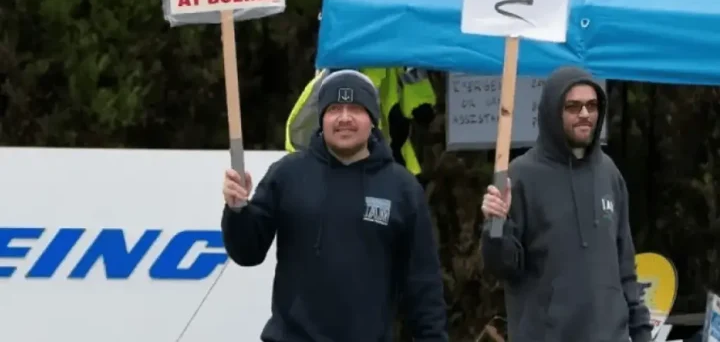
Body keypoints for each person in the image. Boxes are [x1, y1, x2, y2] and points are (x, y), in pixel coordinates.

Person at [221, 69, 448, 342]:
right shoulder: (287, 174)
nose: (344, 118)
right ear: (321, 119)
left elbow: (423, 284)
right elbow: (247, 252)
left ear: (373, 119)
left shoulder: (403, 188)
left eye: (355, 108)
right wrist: (237, 211)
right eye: (334, 109)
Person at [481, 66, 653, 342]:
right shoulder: (518, 176)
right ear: (552, 111)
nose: (585, 114)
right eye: (573, 106)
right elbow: (502, 267)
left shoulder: (610, 173)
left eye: (592, 105)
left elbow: (626, 269)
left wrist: (642, 334)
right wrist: (495, 224)